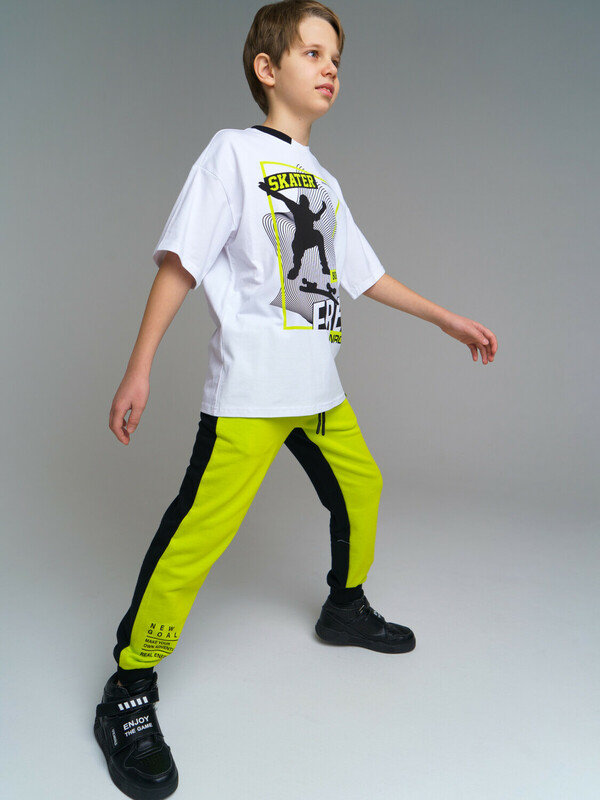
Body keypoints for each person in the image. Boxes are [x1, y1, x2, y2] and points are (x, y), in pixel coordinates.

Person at [93, 2, 498, 798]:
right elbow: (181, 262)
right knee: (196, 536)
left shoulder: (323, 179)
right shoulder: (232, 153)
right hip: (252, 392)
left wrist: (446, 318)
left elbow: (364, 274)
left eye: (335, 56)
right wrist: (139, 367)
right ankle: (129, 686)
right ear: (267, 68)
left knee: (362, 488)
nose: (329, 66)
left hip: (319, 389)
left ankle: (344, 607)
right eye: (312, 52)